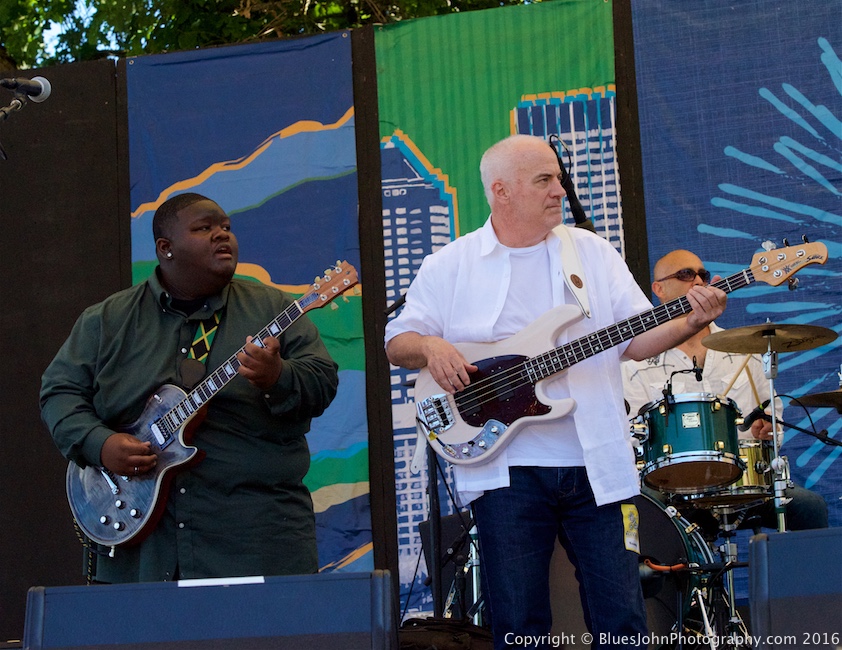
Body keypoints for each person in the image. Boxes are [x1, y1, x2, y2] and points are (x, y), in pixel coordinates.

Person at [384, 135, 727, 649]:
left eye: (559, 178)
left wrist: (688, 321)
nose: (559, 190)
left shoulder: (589, 251)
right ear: (501, 190)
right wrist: (433, 347)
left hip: (593, 459)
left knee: (622, 620)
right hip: (504, 467)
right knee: (520, 625)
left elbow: (634, 340)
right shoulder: (450, 264)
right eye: (544, 179)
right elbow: (397, 340)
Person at [40, 192, 339, 583]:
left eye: (226, 228)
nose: (222, 236)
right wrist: (101, 445)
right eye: (204, 228)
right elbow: (59, 393)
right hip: (140, 551)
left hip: (255, 543)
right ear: (166, 248)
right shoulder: (107, 320)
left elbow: (322, 380)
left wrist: (276, 376)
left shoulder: (274, 310)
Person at [622, 249, 828, 533]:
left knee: (810, 507)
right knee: (637, 514)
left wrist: (767, 427)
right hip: (670, 488)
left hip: (740, 480)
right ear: (659, 288)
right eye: (685, 275)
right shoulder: (635, 361)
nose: (697, 282)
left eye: (702, 275)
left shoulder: (743, 350)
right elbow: (631, 434)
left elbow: (771, 414)